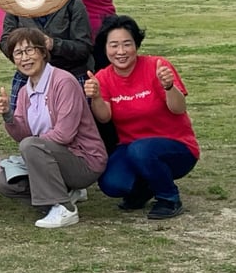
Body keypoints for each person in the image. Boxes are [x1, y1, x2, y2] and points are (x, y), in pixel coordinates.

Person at [84, 16, 199, 219]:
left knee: (141, 150)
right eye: (114, 45)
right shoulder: (103, 77)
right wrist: (96, 97)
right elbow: (104, 118)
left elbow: (178, 109)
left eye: (127, 44)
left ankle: (169, 198)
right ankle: (146, 188)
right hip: (131, 148)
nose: (121, 51)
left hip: (176, 146)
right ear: (105, 48)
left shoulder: (157, 66)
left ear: (136, 44)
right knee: (112, 183)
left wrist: (169, 87)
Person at [0, 28, 108, 228]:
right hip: (52, 158)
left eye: (30, 50)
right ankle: (64, 193)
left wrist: (33, 149)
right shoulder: (24, 92)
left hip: (84, 160)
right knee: (4, 182)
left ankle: (64, 208)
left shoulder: (64, 81)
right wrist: (8, 114)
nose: (24, 58)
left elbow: (64, 134)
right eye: (18, 53)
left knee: (31, 145)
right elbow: (23, 134)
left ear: (43, 52)